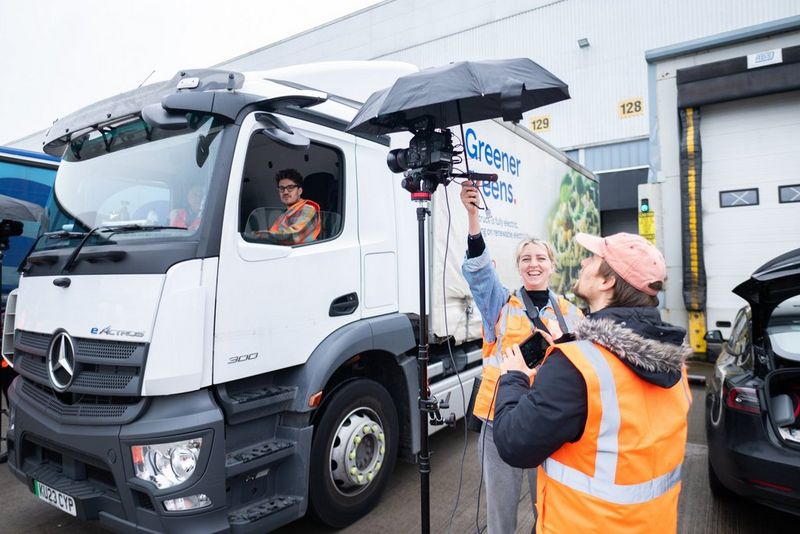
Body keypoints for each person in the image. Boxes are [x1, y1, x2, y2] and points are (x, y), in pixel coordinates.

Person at [493, 232, 692, 533]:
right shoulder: (674, 362)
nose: (584, 262)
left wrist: (514, 377)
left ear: (607, 282)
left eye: (594, 258)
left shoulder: (575, 366)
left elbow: (513, 443)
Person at [459, 181, 583, 534]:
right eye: (526, 259)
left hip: (547, 422)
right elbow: (480, 274)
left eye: (540, 258)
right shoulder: (499, 304)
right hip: (499, 421)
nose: (533, 264)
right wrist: (472, 217)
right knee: (501, 514)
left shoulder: (572, 313)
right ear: (518, 266)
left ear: (552, 266)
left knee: (547, 506)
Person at [255, 168, 320, 245]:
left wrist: (258, 235)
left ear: (299, 191)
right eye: (282, 188)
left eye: (290, 187)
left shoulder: (308, 209)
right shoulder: (286, 213)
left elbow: (294, 236)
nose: (285, 192)